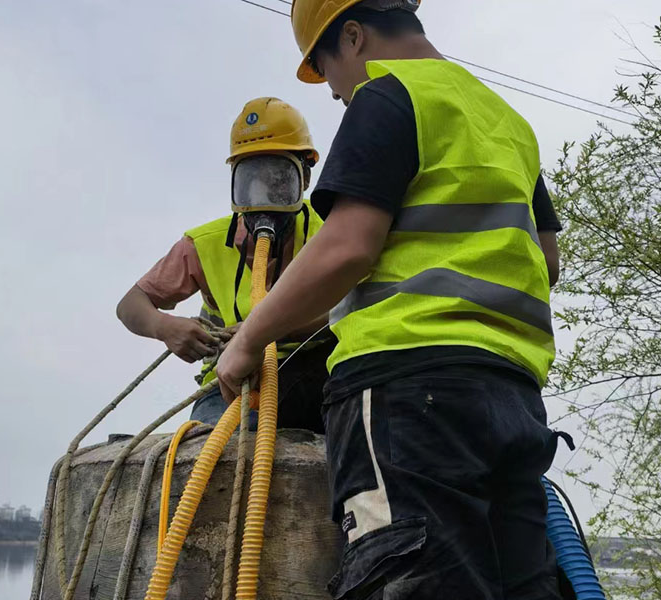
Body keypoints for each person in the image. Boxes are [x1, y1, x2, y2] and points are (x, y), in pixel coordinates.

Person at [216, 2, 565, 598]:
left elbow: (347, 247)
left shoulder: (388, 95)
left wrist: (250, 339)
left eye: (326, 70)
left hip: (408, 394)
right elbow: (548, 259)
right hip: (513, 395)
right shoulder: (504, 119)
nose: (332, 94)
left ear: (353, 36)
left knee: (413, 584)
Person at [118, 97, 334, 432]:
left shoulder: (333, 229)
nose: (265, 192)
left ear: (304, 179)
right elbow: (130, 305)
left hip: (318, 370)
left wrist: (263, 329)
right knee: (216, 454)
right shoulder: (206, 243)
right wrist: (164, 327)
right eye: (251, 179)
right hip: (232, 380)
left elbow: (358, 304)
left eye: (279, 178)